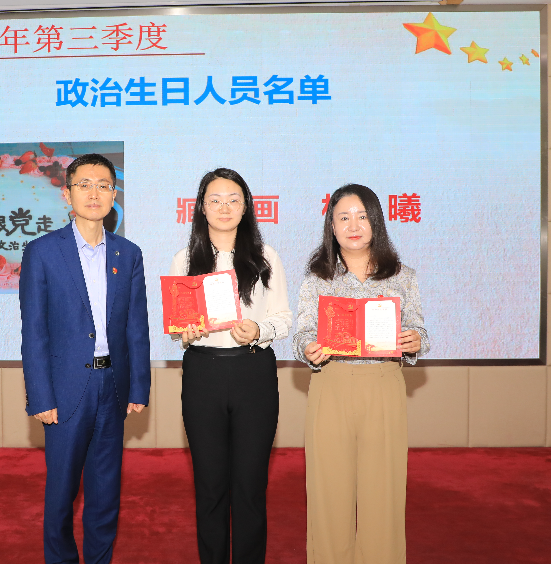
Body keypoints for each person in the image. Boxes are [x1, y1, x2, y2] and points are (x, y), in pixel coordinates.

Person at [20, 153, 150, 564]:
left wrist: (139, 386)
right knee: (61, 494)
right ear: (68, 194)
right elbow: (34, 331)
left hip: (112, 386)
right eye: (84, 185)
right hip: (65, 389)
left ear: (114, 194)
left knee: (105, 493)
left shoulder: (128, 253)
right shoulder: (42, 252)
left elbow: (136, 326)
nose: (94, 193)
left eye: (104, 185)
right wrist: (40, 396)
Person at [292, 183, 430, 564]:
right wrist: (308, 347)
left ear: (376, 223)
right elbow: (302, 333)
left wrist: (415, 340)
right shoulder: (317, 278)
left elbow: (419, 329)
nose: (353, 226)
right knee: (329, 493)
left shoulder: (402, 276)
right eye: (344, 217)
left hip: (383, 385)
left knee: (383, 493)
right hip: (331, 383)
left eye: (362, 216)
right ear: (332, 227)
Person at [168, 168, 293, 564]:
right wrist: (185, 332)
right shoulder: (185, 259)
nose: (225, 207)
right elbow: (176, 327)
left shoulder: (266, 257)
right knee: (209, 487)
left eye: (233, 199)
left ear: (246, 207)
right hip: (203, 373)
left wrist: (259, 329)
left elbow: (284, 318)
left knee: (250, 486)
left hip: (253, 373)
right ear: (201, 208)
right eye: (215, 200)